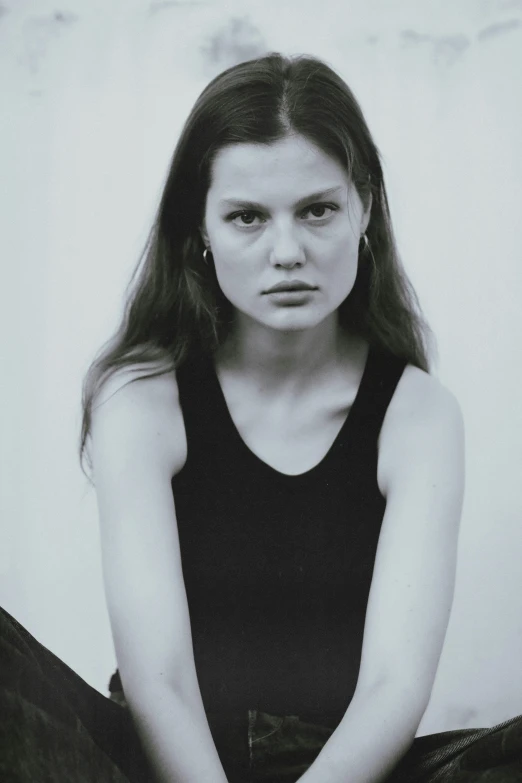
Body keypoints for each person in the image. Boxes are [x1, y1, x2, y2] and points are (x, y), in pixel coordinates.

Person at [1, 52, 521, 783]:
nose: (288, 252)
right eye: (247, 217)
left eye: (317, 209)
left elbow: (394, 688)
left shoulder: (418, 415)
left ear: (363, 208)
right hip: (154, 760)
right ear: (201, 229)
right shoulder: (142, 400)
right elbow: (161, 684)